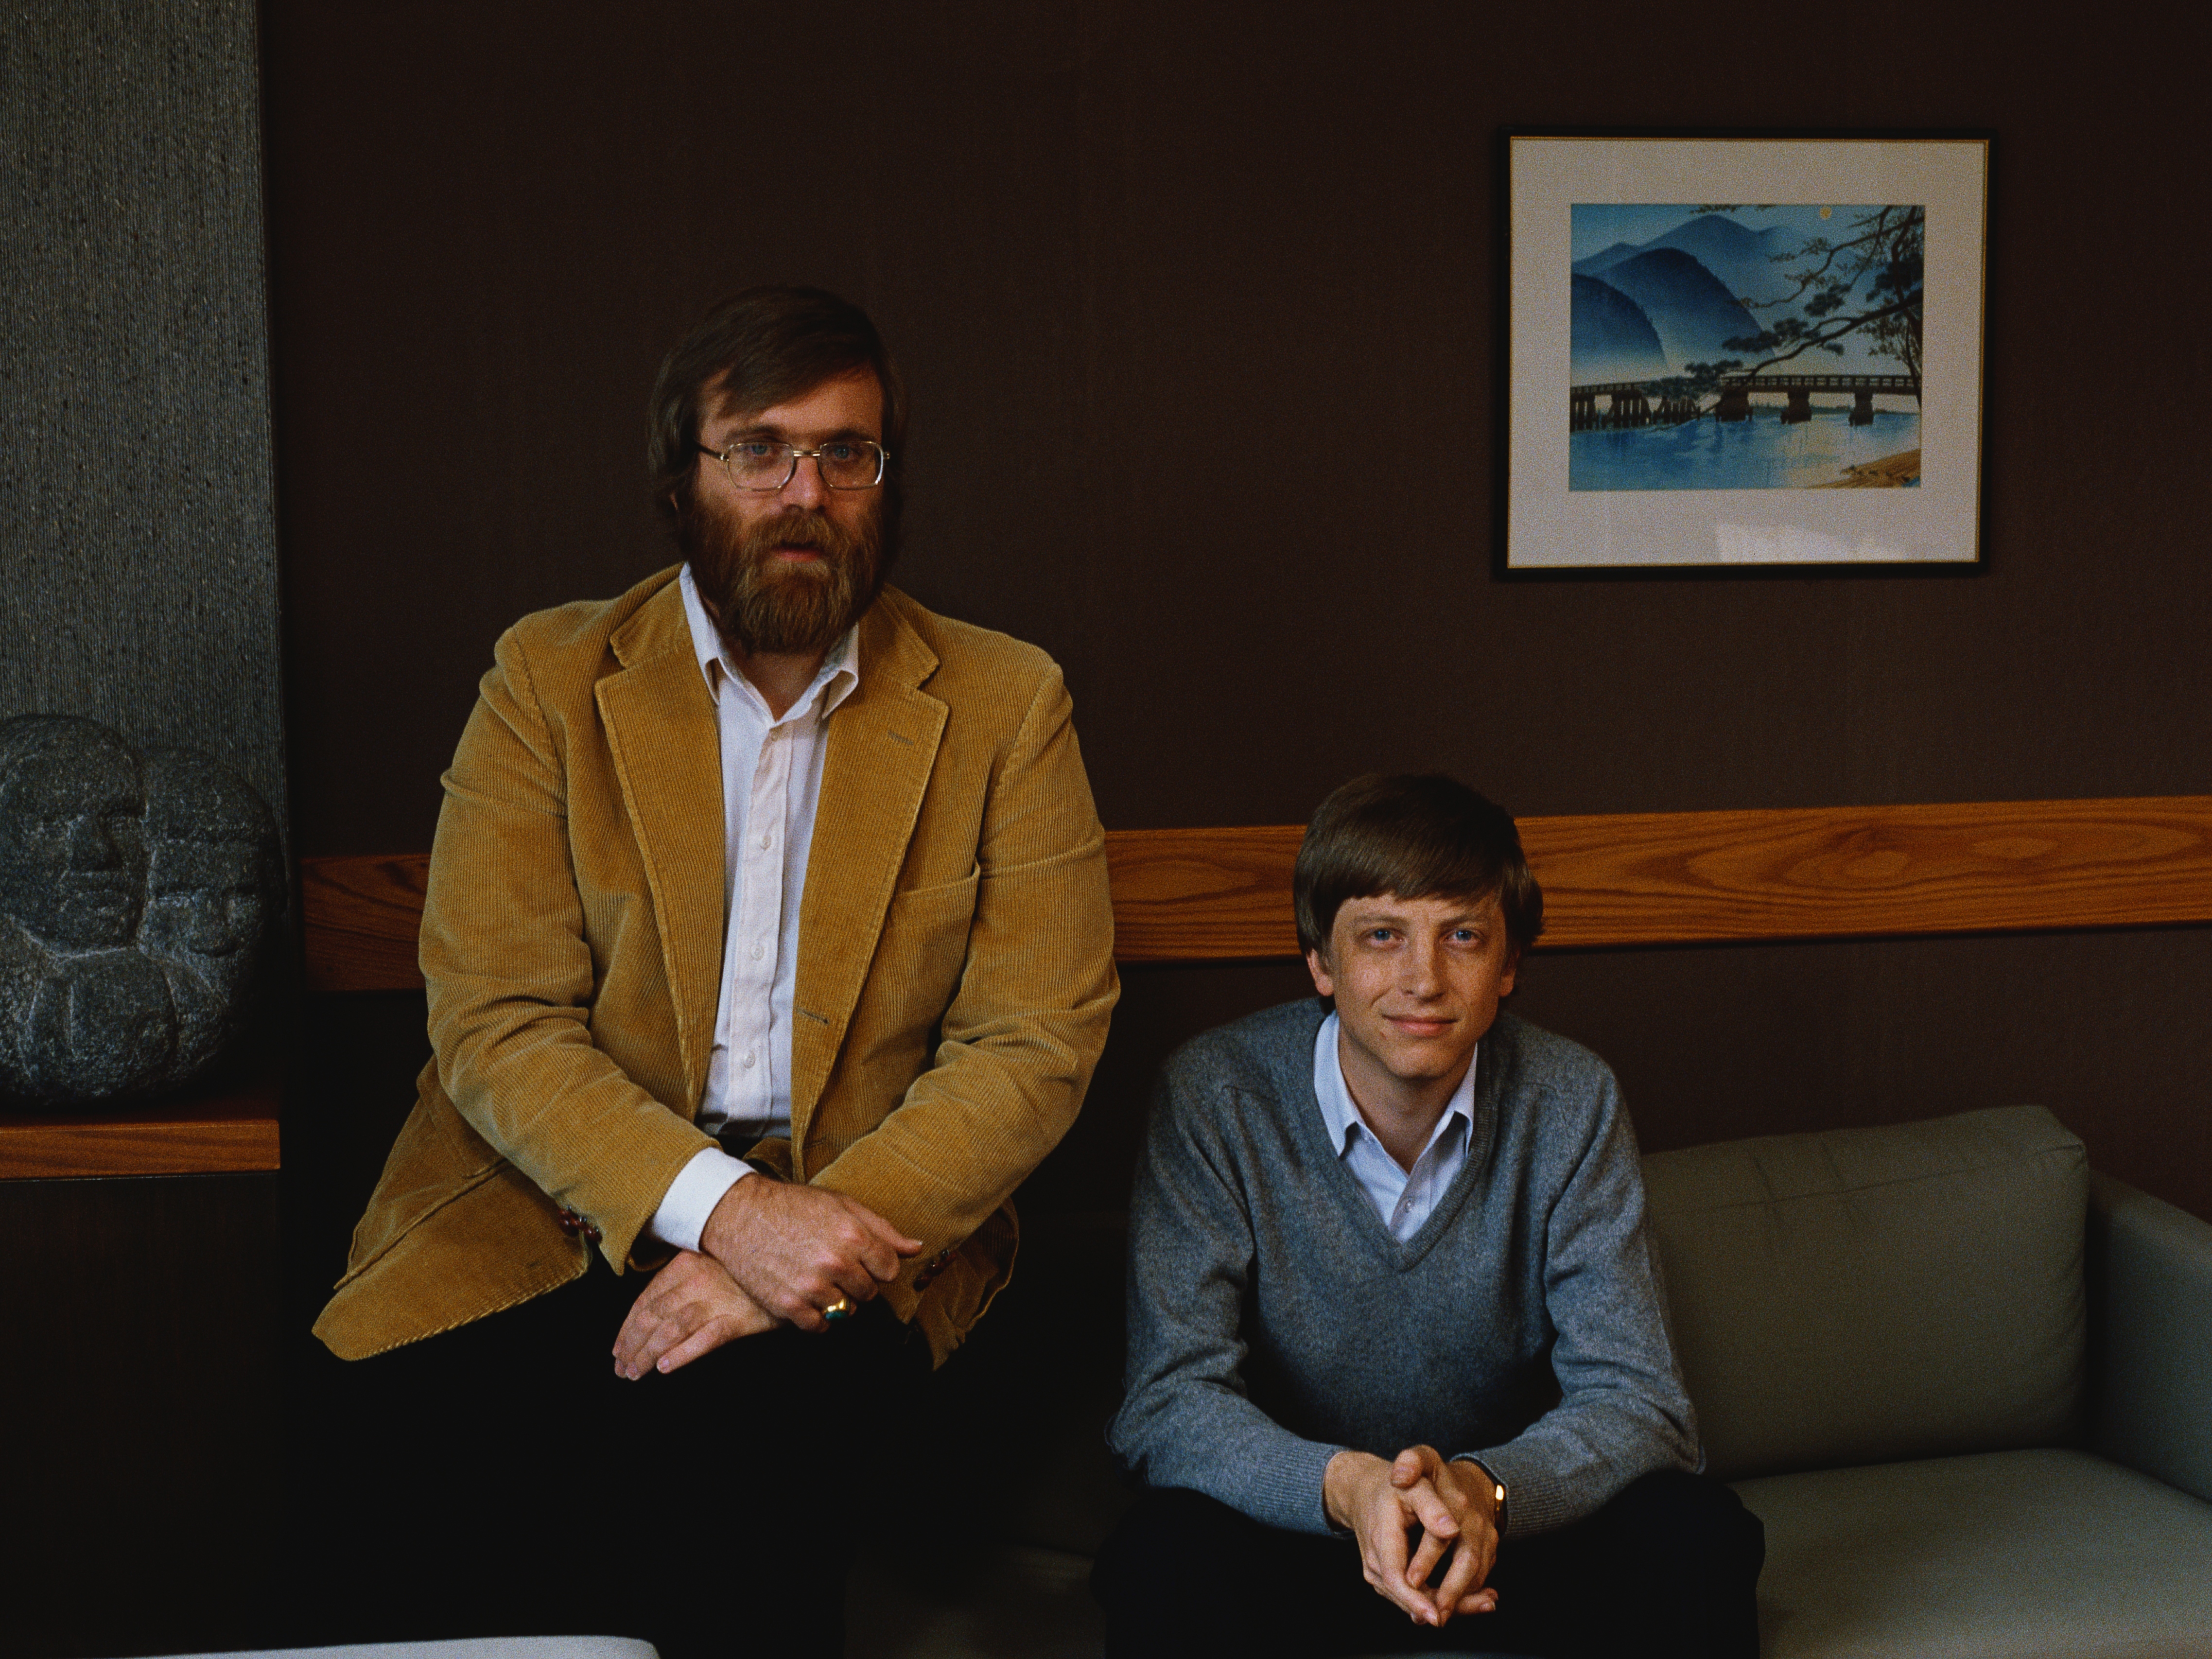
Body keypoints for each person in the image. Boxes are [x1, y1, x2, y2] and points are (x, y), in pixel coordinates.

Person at [309, 286, 1118, 1657]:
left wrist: (785, 1248)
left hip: (870, 1217)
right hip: (543, 1205)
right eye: (759, 449)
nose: (805, 491)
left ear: (887, 478)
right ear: (680, 476)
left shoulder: (1004, 701)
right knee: (407, 1480)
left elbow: (1035, 1041)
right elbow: (498, 1021)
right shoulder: (546, 679)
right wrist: (729, 1214)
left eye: (846, 453)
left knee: (751, 1451)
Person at [1095, 773, 1762, 1658]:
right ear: (1321, 964)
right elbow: (1170, 1402)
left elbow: (1641, 1402)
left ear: (1509, 964)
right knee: (1163, 1553)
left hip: (1503, 1534)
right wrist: (1355, 1489)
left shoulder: (1571, 1097)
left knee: (1697, 1535)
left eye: (1463, 935)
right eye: (1382, 936)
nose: (1424, 979)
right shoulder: (1216, 1096)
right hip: (1306, 1533)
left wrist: (1483, 1492)